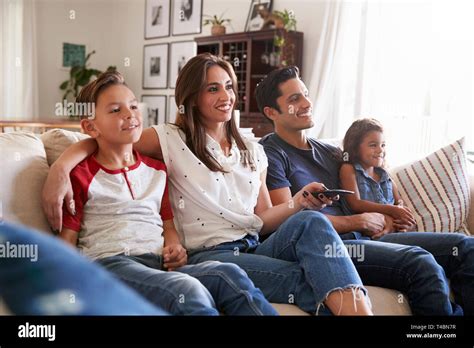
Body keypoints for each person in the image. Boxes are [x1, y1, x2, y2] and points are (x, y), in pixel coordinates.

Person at [43, 53, 374, 315]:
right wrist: (61, 167)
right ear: (192, 98)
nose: (225, 95)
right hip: (212, 254)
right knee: (305, 278)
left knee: (312, 221)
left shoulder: (252, 150)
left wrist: (299, 202)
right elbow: (111, 141)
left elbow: (262, 219)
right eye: (212, 88)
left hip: (255, 245)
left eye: (229, 86)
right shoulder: (170, 139)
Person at [256, 65, 474, 315]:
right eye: (295, 99)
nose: (307, 102)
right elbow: (291, 223)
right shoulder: (271, 154)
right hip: (332, 247)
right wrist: (357, 221)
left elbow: (370, 184)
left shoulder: (331, 152)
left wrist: (390, 217)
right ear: (271, 112)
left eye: (305, 93)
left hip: (368, 236)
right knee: (423, 265)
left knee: (466, 248)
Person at [57, 70, 277, 316]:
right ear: (90, 126)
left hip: (157, 266)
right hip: (110, 266)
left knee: (228, 274)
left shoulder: (157, 171)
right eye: (115, 110)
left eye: (133, 106)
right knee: (187, 290)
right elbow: (67, 241)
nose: (130, 114)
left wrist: (175, 249)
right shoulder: (80, 175)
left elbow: (168, 226)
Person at [0, 222, 168, 315]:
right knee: (186, 286)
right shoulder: (18, 242)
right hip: (113, 261)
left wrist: (63, 164)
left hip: (157, 260)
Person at [339, 118, 415, 234]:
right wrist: (392, 210)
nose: (380, 150)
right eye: (373, 145)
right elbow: (355, 204)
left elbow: (399, 202)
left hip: (395, 231)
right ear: (355, 147)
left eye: (383, 145)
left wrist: (404, 218)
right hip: (371, 232)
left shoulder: (385, 175)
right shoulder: (349, 169)